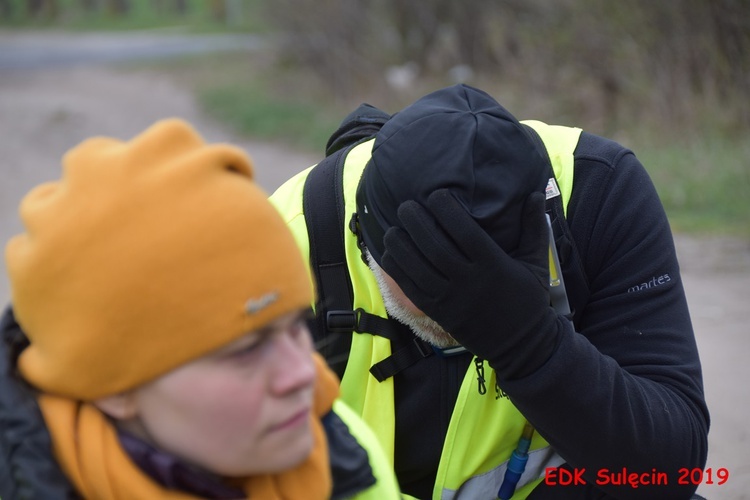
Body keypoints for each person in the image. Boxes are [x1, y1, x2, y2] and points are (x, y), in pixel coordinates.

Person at [269, 84, 709, 499]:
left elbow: (671, 470)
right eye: (429, 282)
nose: (457, 309)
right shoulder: (288, 241)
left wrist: (525, 339)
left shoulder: (595, 190)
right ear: (367, 246)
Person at [0, 119, 402, 500]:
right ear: (113, 388)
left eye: (297, 325)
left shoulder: (338, 443)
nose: (304, 375)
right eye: (246, 350)